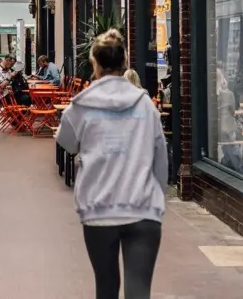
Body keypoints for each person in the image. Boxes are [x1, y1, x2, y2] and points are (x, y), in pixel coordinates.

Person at [57, 29, 168, 299]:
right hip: (142, 208)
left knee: (105, 286)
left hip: (99, 208)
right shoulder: (146, 105)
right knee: (139, 290)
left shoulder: (81, 106)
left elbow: (67, 143)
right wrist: (158, 198)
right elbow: (161, 159)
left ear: (95, 63)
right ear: (124, 62)